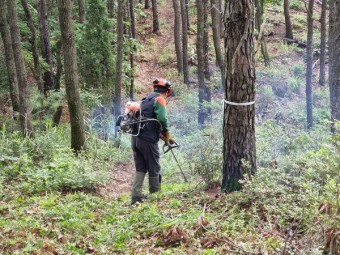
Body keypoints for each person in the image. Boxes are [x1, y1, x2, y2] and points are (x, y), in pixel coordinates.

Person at [131, 78, 175, 205]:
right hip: (147, 140)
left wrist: (164, 137)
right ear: (167, 91)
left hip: (136, 138)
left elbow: (149, 122)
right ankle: (155, 197)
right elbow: (162, 118)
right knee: (154, 167)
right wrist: (167, 133)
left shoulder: (145, 100)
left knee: (141, 167)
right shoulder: (159, 99)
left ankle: (136, 197)